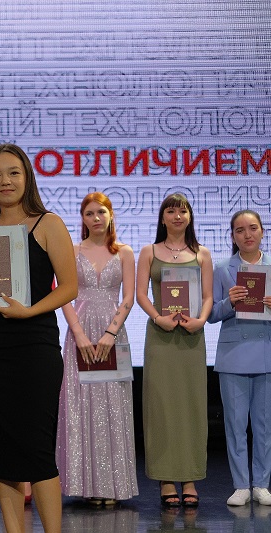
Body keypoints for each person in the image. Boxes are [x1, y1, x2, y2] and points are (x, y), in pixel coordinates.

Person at [0, 143, 77, 533]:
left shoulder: (48, 223)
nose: (5, 181)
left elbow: (70, 287)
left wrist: (29, 310)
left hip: (35, 349)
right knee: (4, 456)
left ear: (27, 177)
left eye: (13, 172)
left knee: (38, 452)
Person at [56, 192, 139, 505]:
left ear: (110, 215)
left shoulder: (125, 252)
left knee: (114, 407)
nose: (96, 218)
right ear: (82, 218)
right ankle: (87, 486)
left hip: (113, 334)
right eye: (89, 213)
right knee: (80, 406)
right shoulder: (72, 251)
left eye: (101, 212)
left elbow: (128, 297)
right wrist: (78, 334)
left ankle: (112, 487)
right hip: (79, 334)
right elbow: (63, 294)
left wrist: (110, 333)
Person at [135, 193, 213, 508]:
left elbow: (207, 296)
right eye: (171, 211)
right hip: (160, 337)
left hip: (192, 338)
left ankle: (190, 478)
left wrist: (201, 320)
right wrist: (158, 318)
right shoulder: (149, 252)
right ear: (162, 217)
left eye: (182, 211)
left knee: (192, 407)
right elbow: (141, 294)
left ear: (190, 217)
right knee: (162, 408)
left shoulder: (202, 253)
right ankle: (166, 479)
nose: (177, 216)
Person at [207, 209, 271, 507]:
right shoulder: (222, 268)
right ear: (232, 236)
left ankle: (262, 484)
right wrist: (229, 302)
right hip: (233, 355)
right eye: (240, 230)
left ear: (262, 232)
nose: (247, 234)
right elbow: (211, 314)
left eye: (253, 228)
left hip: (266, 352)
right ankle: (241, 485)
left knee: (264, 425)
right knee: (235, 425)